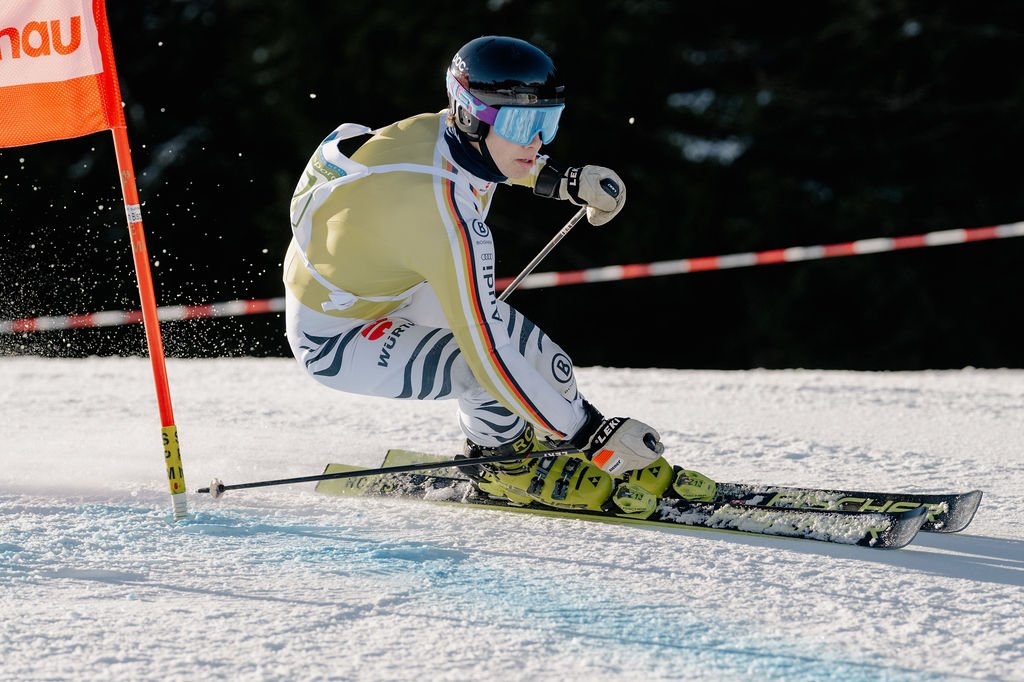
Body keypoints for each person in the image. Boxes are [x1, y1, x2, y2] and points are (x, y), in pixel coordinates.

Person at [283, 35, 716, 516]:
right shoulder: (441, 216)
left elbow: (495, 160)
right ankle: (500, 465)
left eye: (547, 122)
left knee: (549, 364)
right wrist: (590, 433)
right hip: (338, 336)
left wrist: (563, 182)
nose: (537, 141)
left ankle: (530, 436)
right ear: (470, 115)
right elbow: (485, 352)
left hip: (397, 287)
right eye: (522, 122)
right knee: (483, 371)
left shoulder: (441, 134)